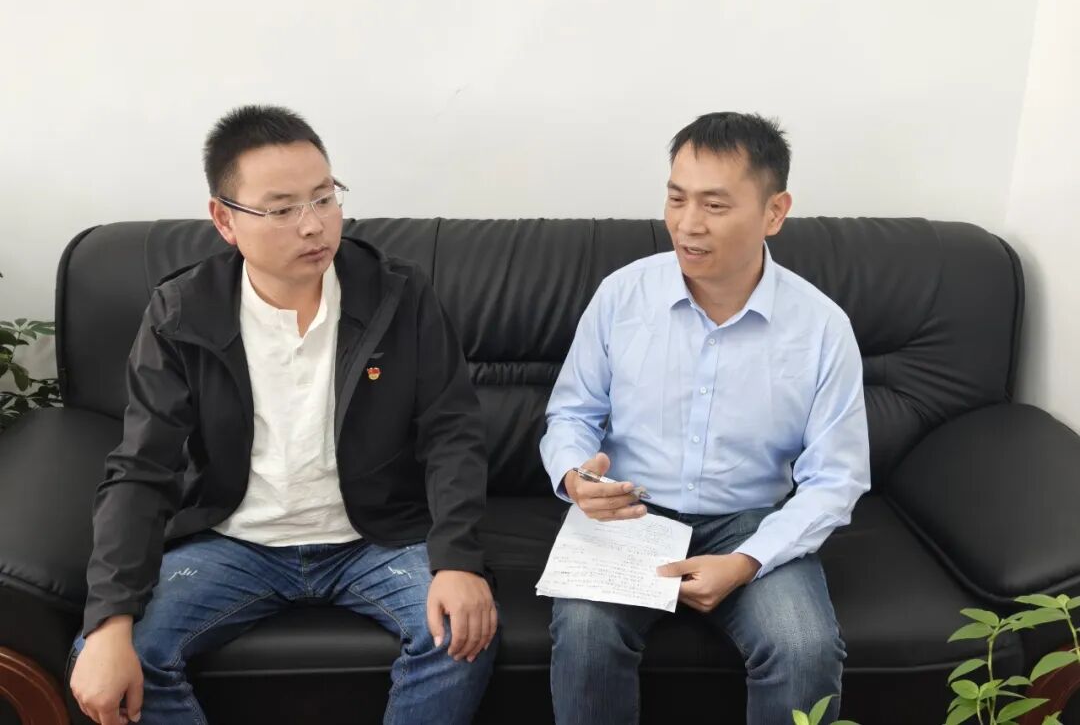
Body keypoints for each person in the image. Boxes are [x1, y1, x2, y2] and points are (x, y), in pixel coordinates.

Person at [69, 105, 498, 725]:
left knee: (460, 635)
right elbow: (141, 468)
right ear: (224, 219)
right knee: (105, 656)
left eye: (324, 198)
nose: (313, 225)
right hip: (235, 542)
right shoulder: (182, 313)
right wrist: (110, 621)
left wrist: (457, 559)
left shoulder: (398, 293)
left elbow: (452, 431)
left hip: (374, 538)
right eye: (282, 209)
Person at [540, 112, 870, 724]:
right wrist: (574, 476)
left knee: (804, 649)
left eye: (715, 205)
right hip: (632, 512)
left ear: (774, 212)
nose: (688, 224)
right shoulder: (622, 295)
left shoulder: (822, 327)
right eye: (676, 198)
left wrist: (746, 561)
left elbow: (836, 478)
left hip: (752, 520)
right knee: (584, 636)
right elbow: (572, 411)